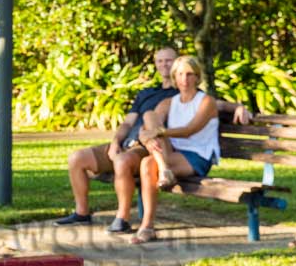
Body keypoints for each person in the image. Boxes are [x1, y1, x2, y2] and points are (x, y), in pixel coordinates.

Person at [55, 47, 251, 234]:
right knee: (77, 158)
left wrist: (238, 107)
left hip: (152, 147)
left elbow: (214, 106)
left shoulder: (184, 93)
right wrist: (116, 142)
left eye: (169, 61)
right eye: (160, 61)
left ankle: (122, 218)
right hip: (135, 141)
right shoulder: (148, 94)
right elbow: (128, 122)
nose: (166, 65)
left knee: (125, 160)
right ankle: (82, 213)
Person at [132, 55, 219, 244]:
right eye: (180, 74)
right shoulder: (169, 102)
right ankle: (164, 169)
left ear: (197, 77)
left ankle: (147, 226)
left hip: (197, 155)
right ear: (174, 77)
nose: (184, 80)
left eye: (189, 74)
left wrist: (154, 133)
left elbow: (189, 131)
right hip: (170, 154)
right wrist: (145, 135)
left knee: (148, 163)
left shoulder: (206, 102)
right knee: (148, 115)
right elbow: (150, 121)